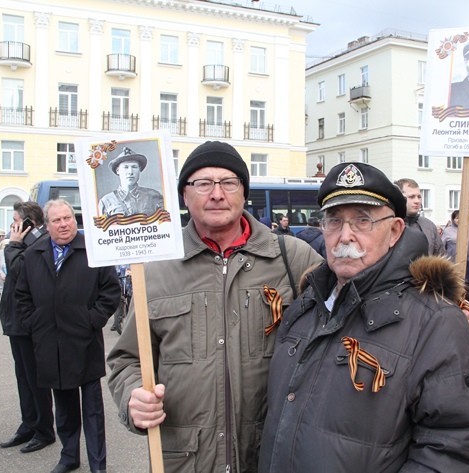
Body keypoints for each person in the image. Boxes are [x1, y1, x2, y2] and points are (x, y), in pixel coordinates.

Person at [107, 140, 322, 473]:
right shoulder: (155, 268)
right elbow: (127, 359)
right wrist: (133, 396)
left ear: (244, 192)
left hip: (268, 458)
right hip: (185, 460)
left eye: (229, 183)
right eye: (203, 183)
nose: (217, 194)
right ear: (184, 195)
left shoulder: (293, 258)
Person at [259, 162, 469, 472]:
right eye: (334, 221)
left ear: (395, 231)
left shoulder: (434, 321)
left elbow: (454, 450)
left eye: (363, 220)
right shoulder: (306, 305)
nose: (345, 236)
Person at [16, 199, 120, 473]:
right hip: (49, 342)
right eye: (57, 220)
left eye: (68, 218)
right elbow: (22, 296)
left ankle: (98, 464)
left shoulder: (93, 250)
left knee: (92, 409)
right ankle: (69, 456)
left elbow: (110, 292)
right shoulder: (33, 254)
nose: (64, 224)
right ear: (47, 225)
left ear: (75, 220)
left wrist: (92, 319)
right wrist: (35, 323)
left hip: (84, 340)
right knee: (64, 407)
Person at [0, 201, 56, 455]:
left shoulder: (38, 242)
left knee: (35, 379)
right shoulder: (26, 241)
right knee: (23, 377)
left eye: (16, 221)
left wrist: (13, 245)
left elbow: (19, 271)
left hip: (29, 323)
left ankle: (44, 429)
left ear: (29, 222)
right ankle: (29, 423)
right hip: (16, 322)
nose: (12, 226)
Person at [98, 147, 164, 217]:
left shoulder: (154, 197)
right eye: (126, 167)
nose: (130, 172)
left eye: (134, 167)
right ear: (118, 171)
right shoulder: (106, 201)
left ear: (139, 170)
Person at [394, 178, 444, 255]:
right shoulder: (389, 225)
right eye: (411, 197)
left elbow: (440, 256)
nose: (417, 201)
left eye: (419, 197)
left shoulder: (429, 226)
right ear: (399, 197)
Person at [442, 210, 469, 283]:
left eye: (461, 218)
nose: (459, 220)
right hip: (453, 263)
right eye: (457, 218)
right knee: (455, 285)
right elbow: (442, 247)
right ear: (453, 219)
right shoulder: (447, 231)